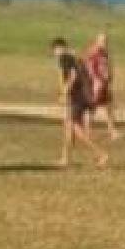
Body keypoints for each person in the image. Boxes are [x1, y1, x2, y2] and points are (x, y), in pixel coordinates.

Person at [51, 37, 108, 168]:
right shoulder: (75, 56)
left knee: (77, 129)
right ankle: (65, 158)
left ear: (57, 48)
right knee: (69, 128)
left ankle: (101, 153)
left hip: (76, 97)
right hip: (83, 97)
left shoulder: (63, 57)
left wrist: (64, 92)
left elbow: (72, 75)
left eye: (54, 51)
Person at [83, 33, 120, 140]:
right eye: (103, 41)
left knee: (109, 107)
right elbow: (89, 68)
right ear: (97, 41)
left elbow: (107, 66)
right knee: (92, 109)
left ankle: (112, 131)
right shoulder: (93, 52)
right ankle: (87, 132)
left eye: (106, 41)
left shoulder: (105, 53)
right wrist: (95, 81)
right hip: (96, 84)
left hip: (104, 83)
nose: (105, 43)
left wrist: (109, 78)